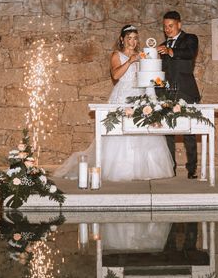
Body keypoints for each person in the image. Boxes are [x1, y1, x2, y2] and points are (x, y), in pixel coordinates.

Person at [53, 24, 174, 182]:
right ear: (122, 39)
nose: (132, 41)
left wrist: (152, 101)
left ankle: (145, 169)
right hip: (122, 96)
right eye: (129, 38)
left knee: (142, 133)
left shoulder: (142, 55)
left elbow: (147, 80)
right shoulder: (117, 55)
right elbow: (116, 75)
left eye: (135, 38)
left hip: (140, 97)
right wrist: (130, 61)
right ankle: (120, 169)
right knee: (119, 133)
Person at [156, 11, 201, 179]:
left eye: (171, 26)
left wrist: (170, 51)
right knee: (167, 131)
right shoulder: (162, 46)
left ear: (179, 25)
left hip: (186, 91)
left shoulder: (190, 39)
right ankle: (171, 168)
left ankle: (192, 169)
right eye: (165, 26)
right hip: (166, 92)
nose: (167, 29)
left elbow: (189, 53)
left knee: (189, 130)